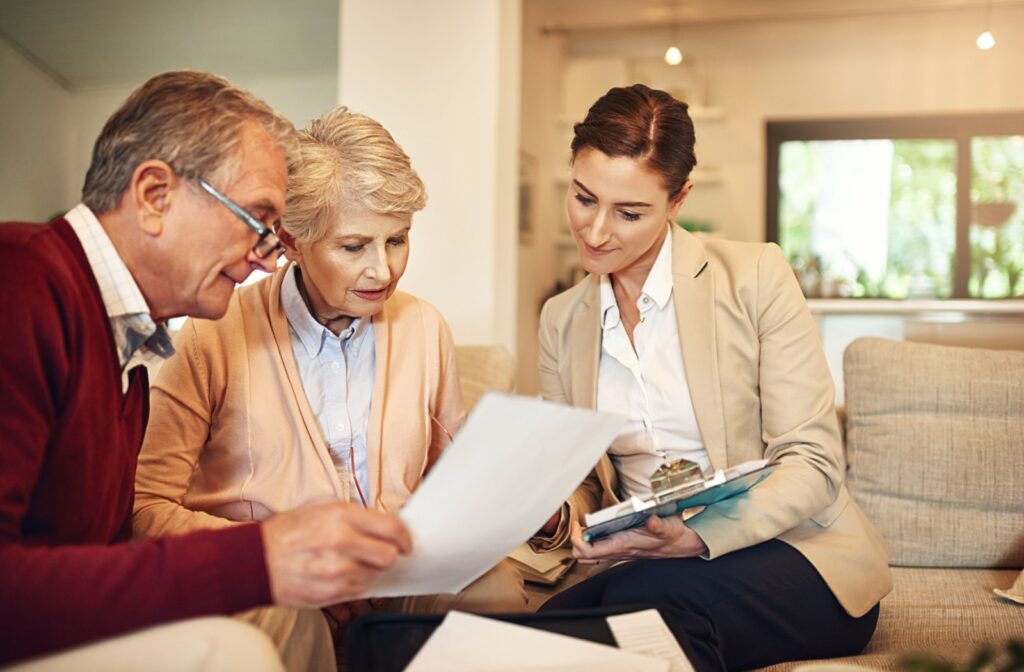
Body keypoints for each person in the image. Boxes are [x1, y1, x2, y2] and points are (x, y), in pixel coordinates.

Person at [0, 71, 412, 670]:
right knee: (234, 649)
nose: (267, 256)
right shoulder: (21, 285)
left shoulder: (127, 346)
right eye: (255, 218)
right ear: (154, 196)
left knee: (282, 615)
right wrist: (258, 557)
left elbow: (103, 552)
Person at [131, 105, 526, 668]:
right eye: (354, 246)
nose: (383, 271)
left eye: (397, 240)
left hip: (398, 572)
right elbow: (147, 504)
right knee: (293, 623)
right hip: (274, 571)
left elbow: (451, 478)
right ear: (292, 240)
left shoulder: (425, 327)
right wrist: (280, 556)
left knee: (497, 593)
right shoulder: (213, 333)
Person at [531, 84, 893, 671]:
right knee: (549, 627)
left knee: (640, 606)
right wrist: (556, 515)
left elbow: (814, 462)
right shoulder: (560, 319)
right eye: (583, 198)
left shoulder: (755, 277)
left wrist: (696, 538)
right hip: (650, 566)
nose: (595, 233)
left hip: (794, 554)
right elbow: (584, 482)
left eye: (629, 213)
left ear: (678, 200)